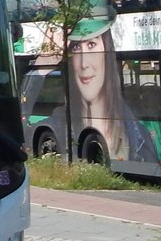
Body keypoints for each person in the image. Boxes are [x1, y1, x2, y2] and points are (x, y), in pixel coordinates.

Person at [58, 17, 159, 164]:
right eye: (76, 47)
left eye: (91, 44)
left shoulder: (139, 132)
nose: (84, 64)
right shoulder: (59, 122)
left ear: (107, 51)